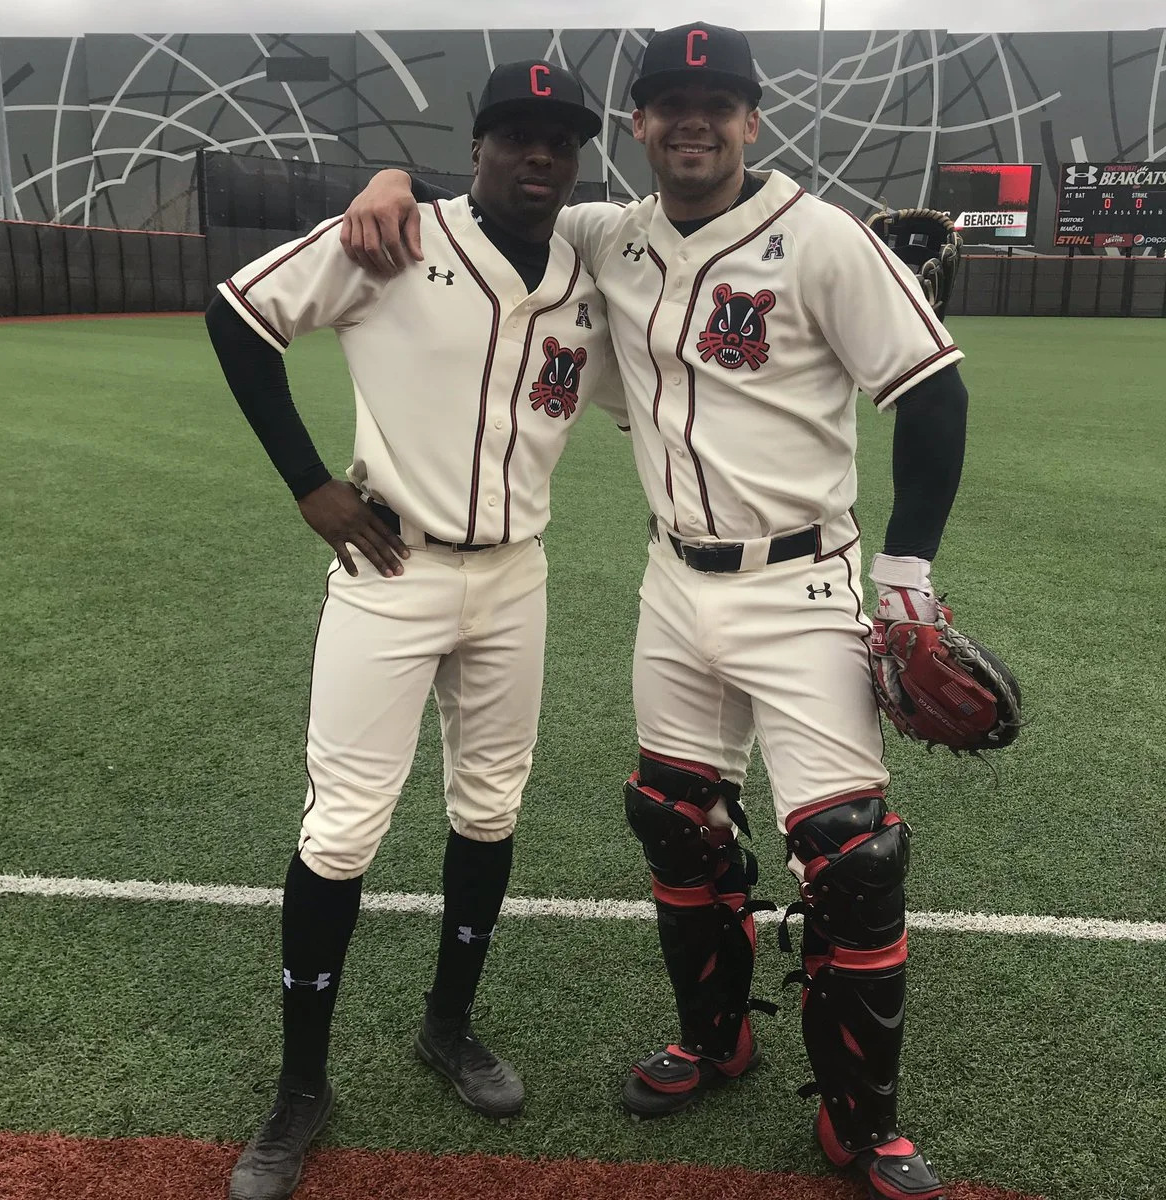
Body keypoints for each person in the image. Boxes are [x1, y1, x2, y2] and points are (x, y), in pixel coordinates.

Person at [340, 23, 970, 1200]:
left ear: (751, 120)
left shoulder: (819, 237)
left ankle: (864, 1124)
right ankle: (716, 1038)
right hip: (675, 584)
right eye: (672, 103)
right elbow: (487, 198)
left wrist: (906, 578)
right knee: (676, 819)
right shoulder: (605, 234)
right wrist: (389, 179)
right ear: (637, 126)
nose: (695, 120)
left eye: (718, 102)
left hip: (804, 585)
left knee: (852, 858)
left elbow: (933, 391)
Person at [206, 59, 625, 1200]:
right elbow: (240, 315)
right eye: (516, 134)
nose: (540, 153)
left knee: (489, 808)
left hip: (515, 579)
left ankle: (449, 1024)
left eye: (561, 137)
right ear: (477, 145)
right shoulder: (391, 235)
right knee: (342, 830)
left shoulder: (590, 267)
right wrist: (306, 483)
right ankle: (302, 1088)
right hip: (391, 567)